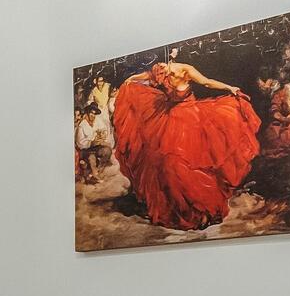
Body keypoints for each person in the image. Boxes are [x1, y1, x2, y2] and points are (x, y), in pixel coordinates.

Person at [111, 60, 260, 230]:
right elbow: (145, 76)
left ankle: (201, 208)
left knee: (190, 162)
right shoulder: (160, 70)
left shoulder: (185, 70)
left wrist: (229, 87)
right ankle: (177, 208)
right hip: (168, 116)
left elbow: (207, 82)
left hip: (189, 117)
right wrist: (130, 80)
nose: (162, 67)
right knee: (166, 163)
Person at [261, 67, 290, 160]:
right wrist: (283, 118)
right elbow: (275, 106)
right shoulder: (285, 89)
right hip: (285, 120)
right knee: (273, 134)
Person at [74, 101, 113, 182]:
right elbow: (80, 144)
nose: (93, 116)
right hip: (84, 150)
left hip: (95, 148)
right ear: (87, 113)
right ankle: (93, 174)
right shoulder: (82, 126)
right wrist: (92, 142)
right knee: (91, 156)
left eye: (95, 114)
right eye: (91, 113)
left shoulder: (96, 122)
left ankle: (96, 170)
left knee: (107, 151)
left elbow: (103, 130)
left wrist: (102, 135)